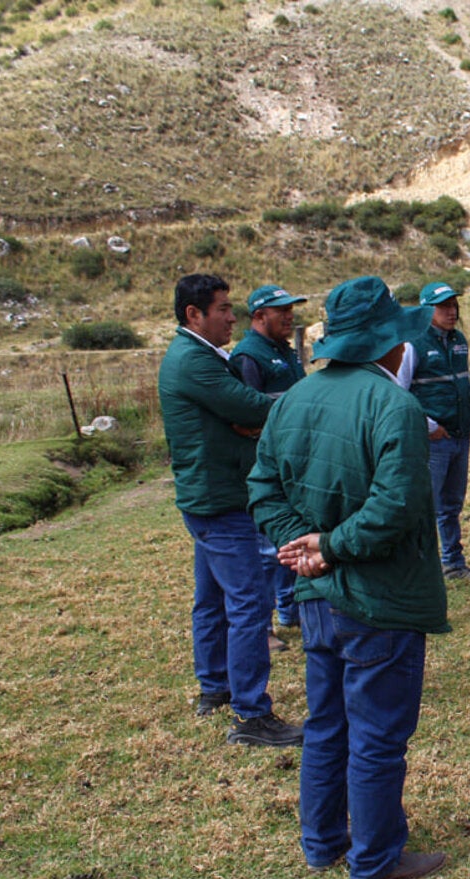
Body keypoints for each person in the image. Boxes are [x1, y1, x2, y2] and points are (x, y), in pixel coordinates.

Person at [248, 276, 449, 879]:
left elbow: (263, 489)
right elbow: (395, 508)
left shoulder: (295, 399)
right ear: (389, 344)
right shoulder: (395, 407)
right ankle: (376, 856)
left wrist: (304, 549)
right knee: (378, 734)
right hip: (377, 597)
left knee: (327, 723)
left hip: (315, 599)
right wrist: (328, 548)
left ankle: (322, 841)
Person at [157, 273, 303, 747]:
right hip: (220, 500)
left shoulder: (200, 357)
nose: (230, 317)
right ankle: (251, 715)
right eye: (222, 309)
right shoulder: (194, 362)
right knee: (248, 603)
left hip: (210, 496)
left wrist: (248, 423)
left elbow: (244, 415)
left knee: (212, 598)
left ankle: (215, 686)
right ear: (193, 315)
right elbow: (252, 407)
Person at [231, 283, 308, 652]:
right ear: (259, 316)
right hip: (270, 466)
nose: (289, 316)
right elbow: (244, 420)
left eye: (291, 308)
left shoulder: (285, 351)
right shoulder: (249, 356)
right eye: (282, 310)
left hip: (295, 463)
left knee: (292, 540)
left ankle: (291, 611)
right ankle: (262, 627)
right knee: (266, 552)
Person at [407, 281, 470, 583]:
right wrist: (429, 427)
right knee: (426, 505)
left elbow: (464, 381)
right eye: (443, 306)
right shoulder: (413, 343)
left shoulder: (459, 340)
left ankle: (453, 563)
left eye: (454, 305)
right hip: (433, 439)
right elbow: (401, 392)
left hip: (459, 434)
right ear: (426, 309)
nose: (451, 311)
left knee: (452, 504)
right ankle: (420, 568)